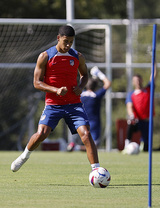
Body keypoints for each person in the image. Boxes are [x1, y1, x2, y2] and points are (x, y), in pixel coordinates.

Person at [11, 25, 100, 172]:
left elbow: (85, 75)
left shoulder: (78, 56)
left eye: (71, 42)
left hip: (74, 104)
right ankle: (24, 156)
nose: (68, 45)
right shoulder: (45, 56)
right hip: (53, 104)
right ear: (58, 38)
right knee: (42, 133)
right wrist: (56, 90)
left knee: (86, 134)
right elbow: (36, 83)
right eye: (65, 41)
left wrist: (81, 86)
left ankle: (96, 171)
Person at [67, 66, 111, 151]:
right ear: (96, 87)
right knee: (94, 145)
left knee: (81, 141)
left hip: (79, 121)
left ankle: (74, 146)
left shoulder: (80, 95)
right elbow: (108, 83)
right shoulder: (96, 96)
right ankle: (76, 148)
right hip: (93, 123)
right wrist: (98, 73)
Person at [124, 64, 157, 152]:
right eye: (135, 80)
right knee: (130, 123)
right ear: (133, 82)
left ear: (141, 80)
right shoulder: (131, 94)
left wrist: (154, 62)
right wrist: (131, 115)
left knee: (146, 148)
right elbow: (129, 106)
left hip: (147, 122)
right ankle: (127, 145)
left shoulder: (148, 89)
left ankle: (144, 145)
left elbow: (153, 76)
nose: (137, 82)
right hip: (137, 121)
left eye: (138, 80)